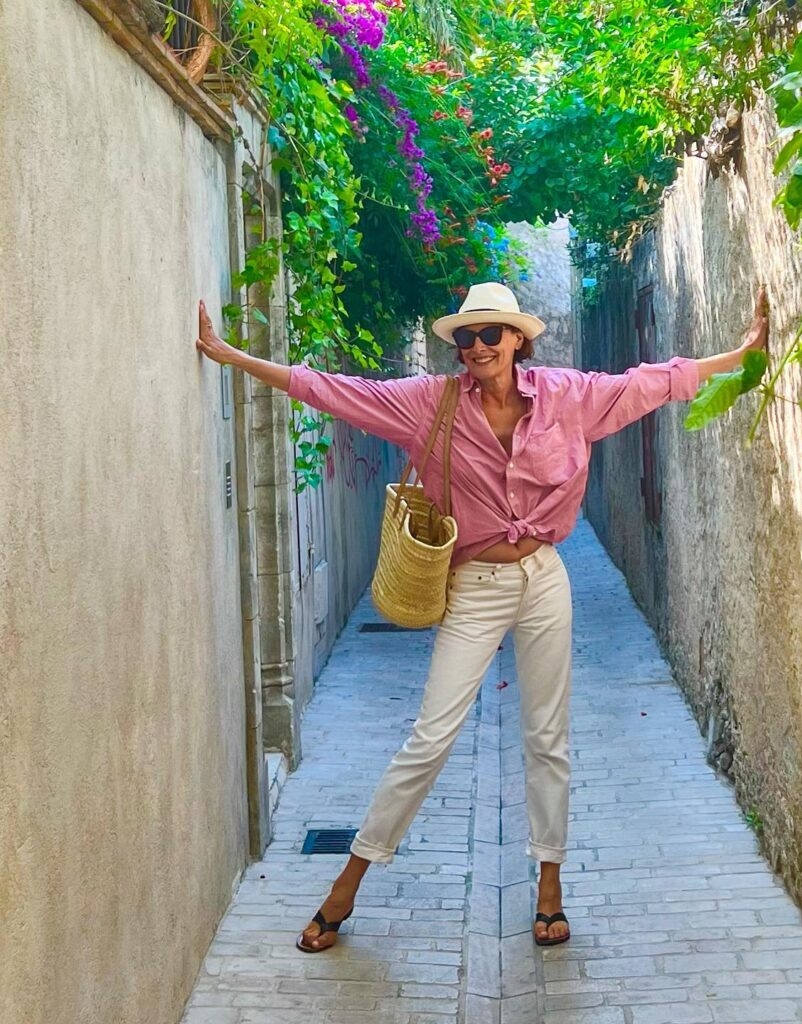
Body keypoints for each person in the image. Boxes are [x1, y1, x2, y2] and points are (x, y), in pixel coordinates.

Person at [194, 280, 769, 951]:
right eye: (465, 337)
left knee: (547, 737)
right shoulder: (428, 406)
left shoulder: (566, 397)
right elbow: (330, 388)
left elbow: (652, 383)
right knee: (431, 737)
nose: (475, 347)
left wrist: (741, 353)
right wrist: (229, 354)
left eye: (490, 334)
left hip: (544, 578)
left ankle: (549, 884)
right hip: (474, 585)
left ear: (518, 339)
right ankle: (346, 884)